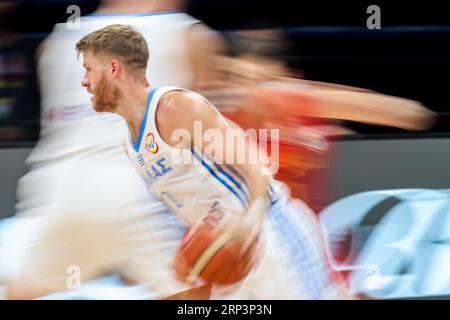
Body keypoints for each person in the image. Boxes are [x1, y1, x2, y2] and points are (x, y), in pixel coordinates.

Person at [76, 24, 349, 299]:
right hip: (229, 256)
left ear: (113, 69)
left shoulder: (176, 108)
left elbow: (255, 164)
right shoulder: (129, 143)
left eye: (88, 69)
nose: (83, 81)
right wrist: (188, 258)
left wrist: (248, 223)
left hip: (270, 236)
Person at [2, 0, 224, 300]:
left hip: (60, 193)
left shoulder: (57, 40)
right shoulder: (191, 37)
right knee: (200, 295)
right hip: (138, 194)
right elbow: (209, 145)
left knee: (21, 294)